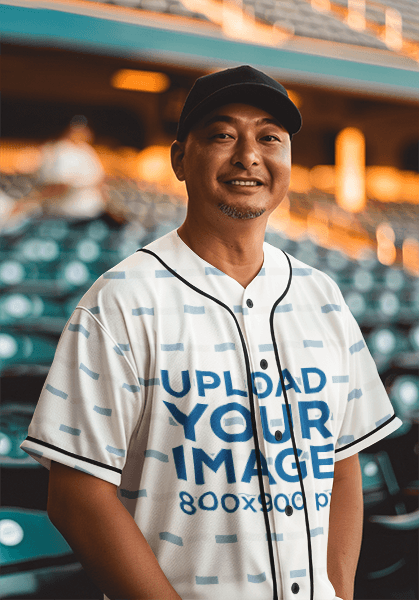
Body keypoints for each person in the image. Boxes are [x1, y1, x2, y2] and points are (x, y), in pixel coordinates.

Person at [22, 66, 402, 600]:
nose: (249, 154)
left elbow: (343, 463)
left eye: (270, 137)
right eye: (222, 135)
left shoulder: (324, 297)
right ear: (181, 158)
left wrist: (338, 590)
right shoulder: (119, 301)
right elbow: (77, 495)